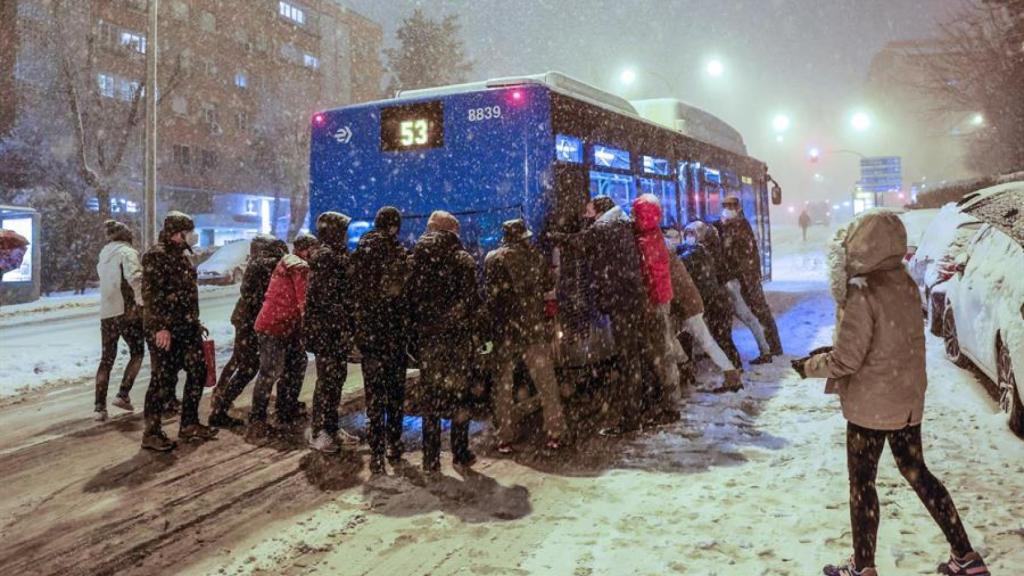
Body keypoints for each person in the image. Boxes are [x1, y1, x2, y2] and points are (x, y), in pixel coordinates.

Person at [792, 210, 989, 576]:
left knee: (862, 484)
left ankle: (863, 567)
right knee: (918, 471)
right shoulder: (903, 281)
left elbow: (848, 360)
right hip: (906, 401)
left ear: (860, 243)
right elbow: (890, 342)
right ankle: (965, 555)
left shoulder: (861, 290)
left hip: (870, 407)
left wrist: (810, 367)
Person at [553, 196, 660, 436]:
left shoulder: (604, 226)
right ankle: (650, 406)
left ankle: (631, 419)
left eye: (589, 211)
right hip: (632, 298)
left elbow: (580, 241)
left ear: (600, 211)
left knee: (628, 358)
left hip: (621, 300)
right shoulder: (622, 224)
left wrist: (555, 236)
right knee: (639, 354)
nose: (586, 216)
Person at [484, 218, 567, 454]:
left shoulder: (493, 259)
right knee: (546, 383)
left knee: (503, 386)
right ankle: (555, 433)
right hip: (532, 329)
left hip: (505, 333)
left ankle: (505, 437)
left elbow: (491, 296)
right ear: (524, 236)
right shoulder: (535, 256)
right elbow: (548, 284)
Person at [406, 210, 480, 473]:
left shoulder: (415, 260)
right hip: (457, 340)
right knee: (460, 396)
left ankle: (430, 459)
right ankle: (460, 452)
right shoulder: (462, 260)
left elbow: (408, 301)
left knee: (432, 398)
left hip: (428, 340)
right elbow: (472, 302)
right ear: (452, 233)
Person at [140, 212, 218, 451]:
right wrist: (160, 327)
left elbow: (185, 295)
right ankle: (151, 432)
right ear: (177, 233)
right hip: (166, 331)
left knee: (198, 371)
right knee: (163, 380)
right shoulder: (157, 256)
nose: (192, 236)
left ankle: (190, 423)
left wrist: (194, 321)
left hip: (186, 327)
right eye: (188, 231)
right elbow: (151, 295)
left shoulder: (182, 256)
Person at [351, 207, 410, 473]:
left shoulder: (360, 252)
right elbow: (402, 293)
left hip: (369, 335)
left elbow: (352, 294)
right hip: (392, 334)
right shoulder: (396, 253)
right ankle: (393, 443)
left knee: (373, 392)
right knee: (395, 391)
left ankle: (375, 447)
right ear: (393, 226)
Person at [209, 235, 287, 428]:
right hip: (252, 321)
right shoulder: (265, 265)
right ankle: (220, 406)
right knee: (247, 366)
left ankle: (220, 400)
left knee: (243, 362)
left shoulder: (256, 263)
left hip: (248, 320)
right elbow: (256, 295)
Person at [248, 233, 318, 440]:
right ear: (305, 250)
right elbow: (303, 300)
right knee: (270, 371)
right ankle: (257, 419)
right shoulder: (297, 266)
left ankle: (286, 407)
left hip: (287, 327)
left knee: (296, 364)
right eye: (313, 249)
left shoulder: (293, 263)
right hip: (274, 327)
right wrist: (310, 321)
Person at [665, 229, 742, 393]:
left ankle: (730, 376)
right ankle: (727, 375)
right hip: (691, 304)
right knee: (692, 341)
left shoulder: (676, 257)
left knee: (705, 342)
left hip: (689, 306)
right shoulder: (677, 256)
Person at [305, 212, 357, 454]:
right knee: (327, 381)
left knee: (336, 379)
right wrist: (345, 319)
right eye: (343, 231)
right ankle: (320, 432)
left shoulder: (337, 255)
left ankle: (332, 427)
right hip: (327, 331)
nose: (346, 236)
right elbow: (327, 299)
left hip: (336, 331)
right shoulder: (326, 258)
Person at [631, 194, 685, 418]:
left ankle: (670, 406)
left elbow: (650, 274)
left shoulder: (646, 241)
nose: (632, 218)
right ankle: (667, 400)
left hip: (655, 301)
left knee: (661, 352)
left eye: (635, 214)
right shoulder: (654, 236)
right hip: (661, 299)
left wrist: (646, 299)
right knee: (662, 349)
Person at [715, 196, 782, 362]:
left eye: (731, 206)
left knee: (759, 310)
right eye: (725, 205)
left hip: (747, 277)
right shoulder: (724, 224)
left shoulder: (740, 224)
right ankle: (769, 347)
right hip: (739, 276)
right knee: (746, 312)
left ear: (738, 207)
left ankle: (773, 347)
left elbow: (738, 251)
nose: (728, 208)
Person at [94, 220, 145, 421]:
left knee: (106, 359)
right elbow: (135, 279)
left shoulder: (104, 255)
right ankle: (123, 394)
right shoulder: (127, 252)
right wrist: (142, 302)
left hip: (107, 312)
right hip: (127, 311)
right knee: (138, 351)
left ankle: (99, 406)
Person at [678, 222, 742, 369]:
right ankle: (735, 367)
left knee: (722, 337)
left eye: (692, 234)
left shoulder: (696, 253)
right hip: (716, 300)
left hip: (716, 302)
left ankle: (735, 368)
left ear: (700, 236)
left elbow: (683, 259)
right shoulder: (702, 250)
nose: (689, 237)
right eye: (687, 234)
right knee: (721, 336)